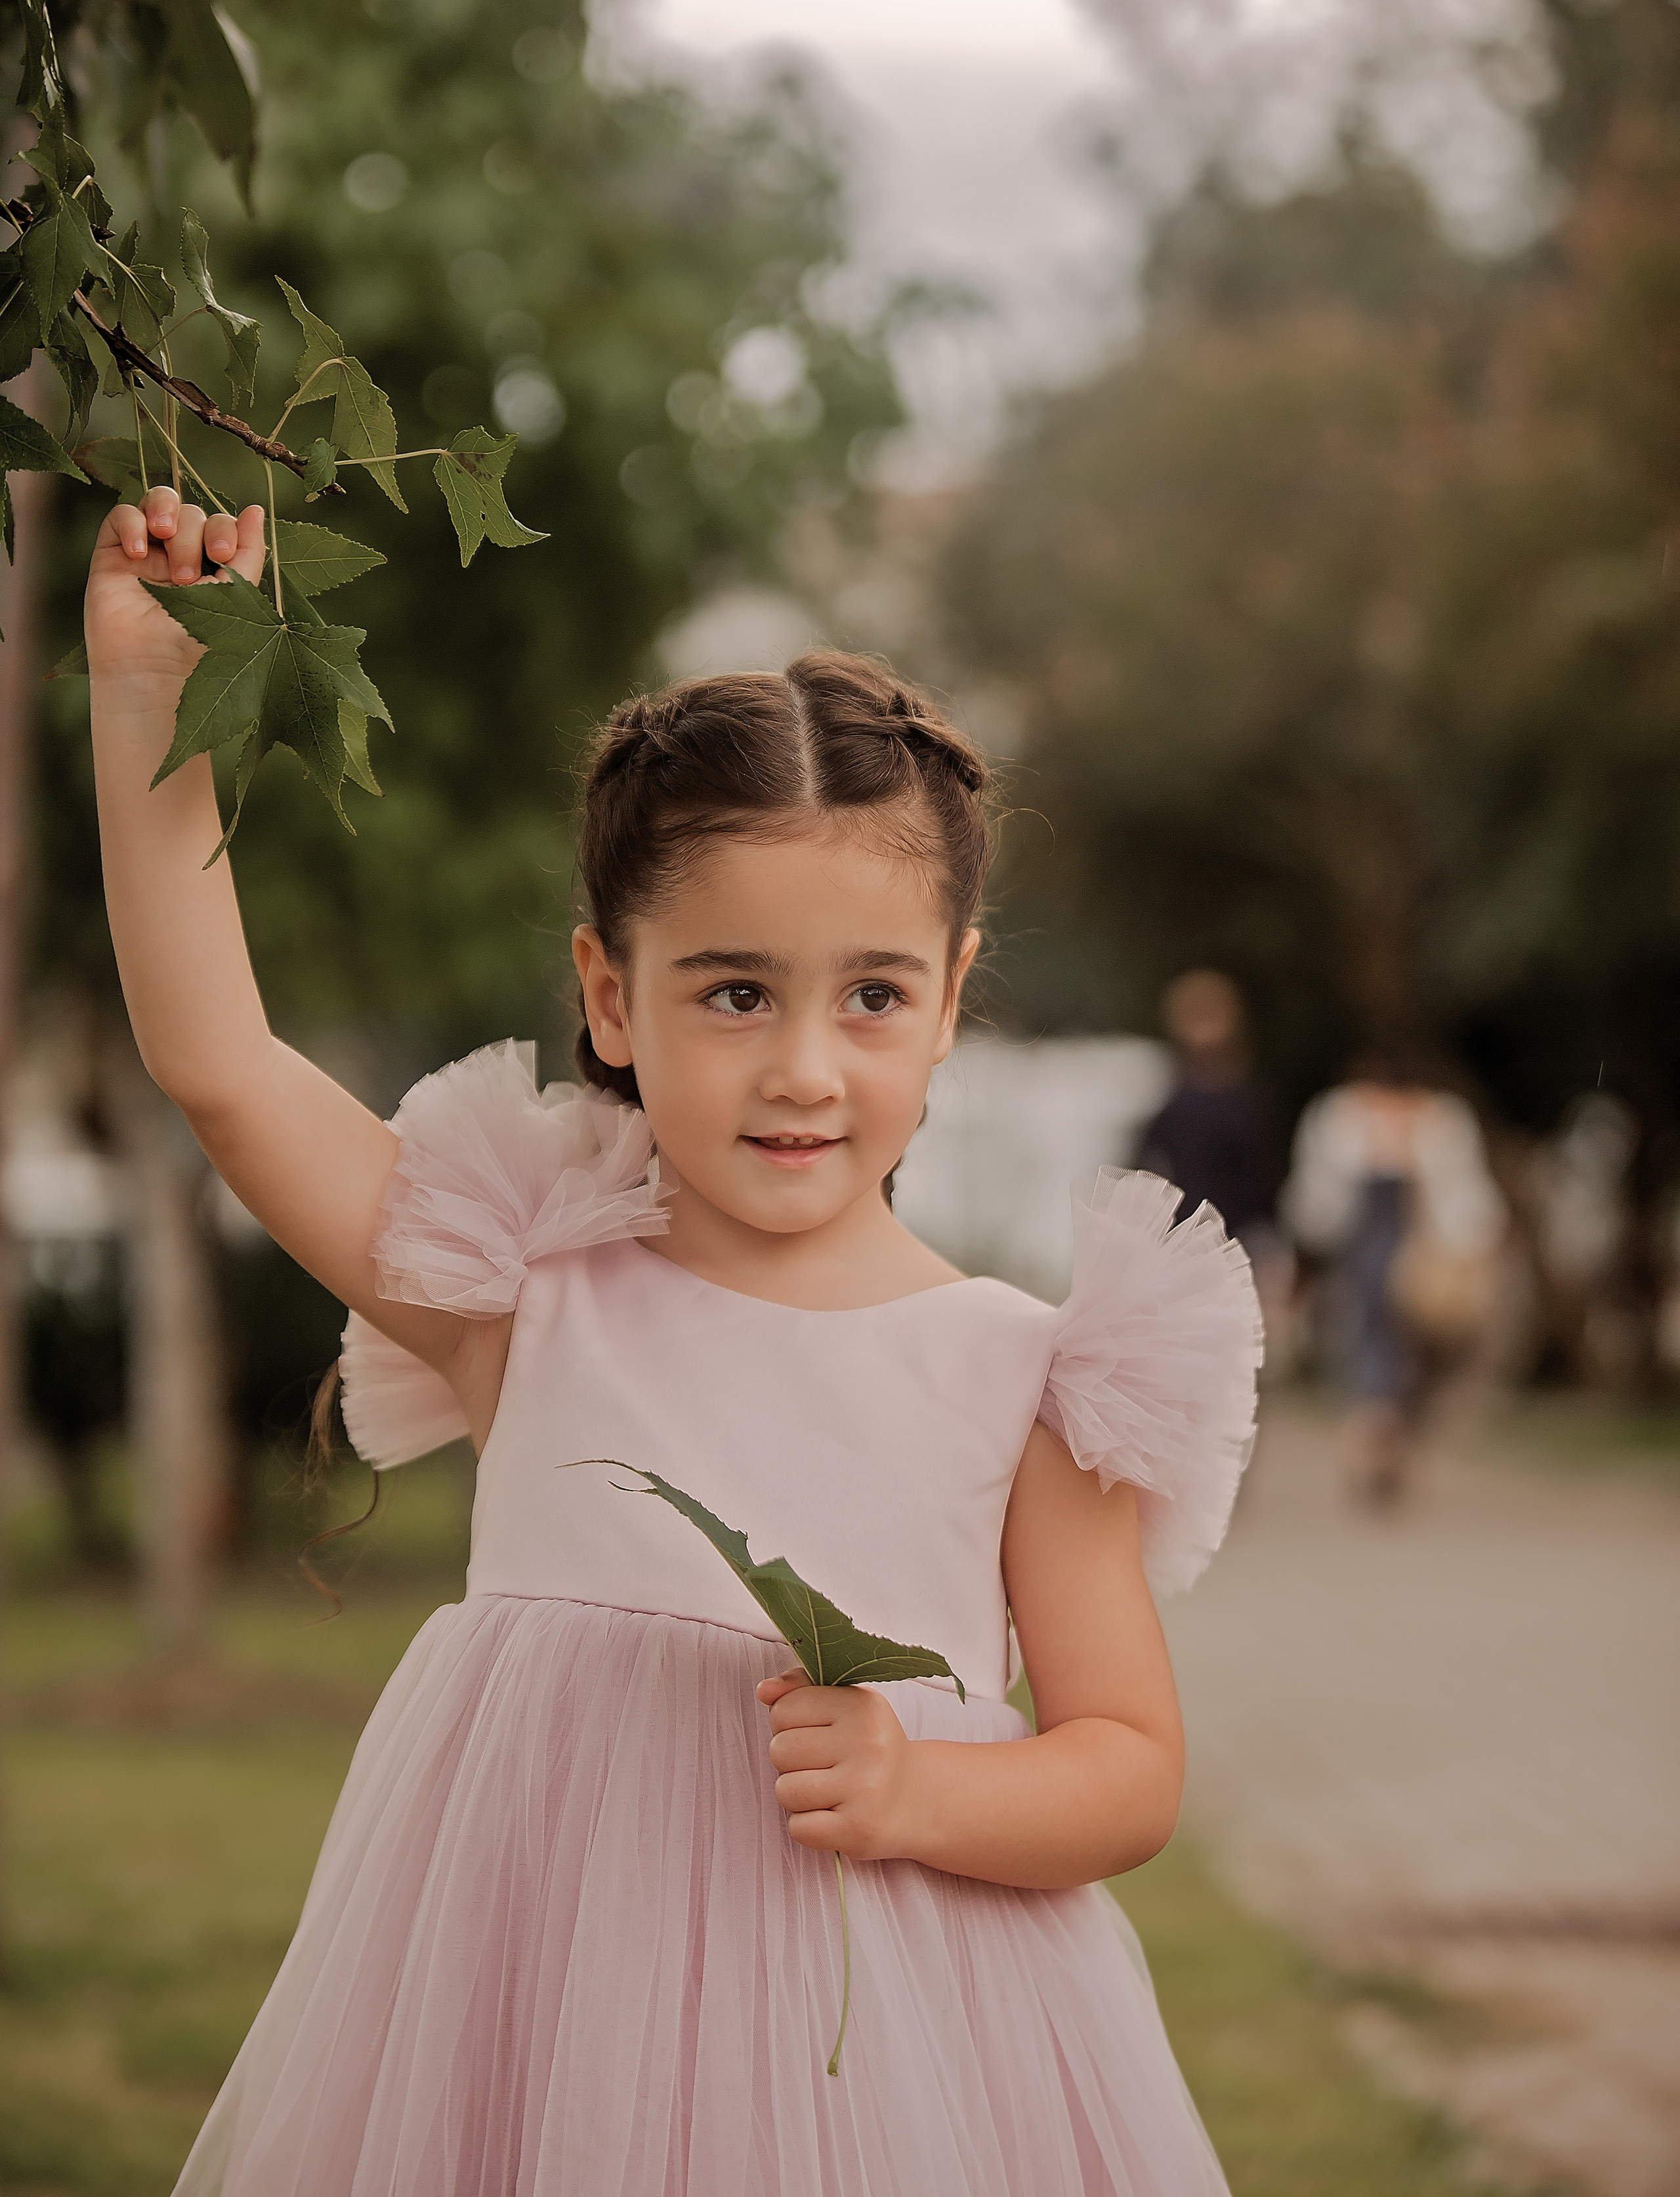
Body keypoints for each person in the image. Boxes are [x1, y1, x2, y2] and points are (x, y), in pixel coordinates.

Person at [89, 485, 1263, 2197]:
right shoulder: (530, 1296)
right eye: (733, 993)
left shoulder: (1029, 1378)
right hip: (544, 2020)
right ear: (610, 994)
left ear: (949, 998)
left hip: (909, 2058)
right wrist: (151, 701)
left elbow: (1129, 1767)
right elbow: (225, 1067)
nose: (802, 1067)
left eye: (870, 995)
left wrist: (922, 1788)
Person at [1282, 1038, 1505, 1505]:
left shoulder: (1345, 1117)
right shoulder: (1421, 1119)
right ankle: (1382, 1450)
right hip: (1385, 1258)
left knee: (1379, 1355)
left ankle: (1377, 1447)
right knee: (1382, 1355)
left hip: (1405, 1262)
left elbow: (1313, 1205)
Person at [1137, 971, 1292, 1336]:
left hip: (1238, 1243)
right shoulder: (1168, 1105)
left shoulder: (1246, 1104)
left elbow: (1265, 1184)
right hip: (1179, 1246)